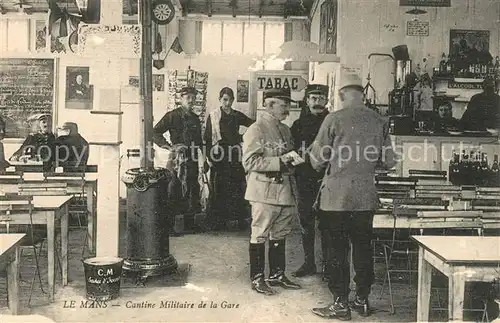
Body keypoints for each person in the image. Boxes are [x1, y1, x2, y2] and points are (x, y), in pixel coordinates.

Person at [309, 73, 397, 320]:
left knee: (336, 251)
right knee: (362, 249)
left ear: (341, 94)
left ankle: (339, 303)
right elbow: (389, 162)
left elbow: (317, 161)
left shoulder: (333, 118)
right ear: (363, 94)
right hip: (365, 197)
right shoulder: (379, 120)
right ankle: (362, 300)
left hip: (335, 199)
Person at [243, 88, 302, 296]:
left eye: (287, 104)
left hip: (284, 190)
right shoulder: (256, 129)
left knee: (280, 233)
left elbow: (288, 154)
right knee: (259, 233)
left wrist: (294, 160)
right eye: (283, 104)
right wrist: (280, 161)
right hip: (263, 191)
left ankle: (277, 274)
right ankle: (257, 278)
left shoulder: (285, 130)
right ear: (269, 105)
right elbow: (249, 162)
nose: (287, 109)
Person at [290, 84, 330, 279]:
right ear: (307, 101)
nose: (317, 102)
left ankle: (328, 265)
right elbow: (291, 151)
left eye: (321, 98)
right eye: (313, 98)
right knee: (306, 221)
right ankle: (309, 263)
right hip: (305, 179)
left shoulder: (332, 123)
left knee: (328, 223)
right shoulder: (297, 125)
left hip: (328, 180)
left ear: (327, 101)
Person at [203, 87, 254, 231]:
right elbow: (207, 138)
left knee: (237, 186)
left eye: (230, 100)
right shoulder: (213, 116)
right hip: (218, 155)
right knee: (219, 187)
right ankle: (219, 221)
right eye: (225, 99)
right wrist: (208, 157)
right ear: (220, 100)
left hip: (234, 155)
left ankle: (239, 220)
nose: (227, 103)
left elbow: (252, 125)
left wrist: (242, 138)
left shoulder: (237, 115)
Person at [153, 86, 203, 229]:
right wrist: (169, 147)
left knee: (192, 189)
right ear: (181, 99)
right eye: (188, 98)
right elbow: (155, 132)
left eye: (193, 98)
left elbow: (199, 142)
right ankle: (170, 226)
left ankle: (189, 224)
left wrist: (204, 159)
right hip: (177, 159)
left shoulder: (195, 119)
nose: (191, 101)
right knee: (174, 189)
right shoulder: (172, 115)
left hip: (192, 158)